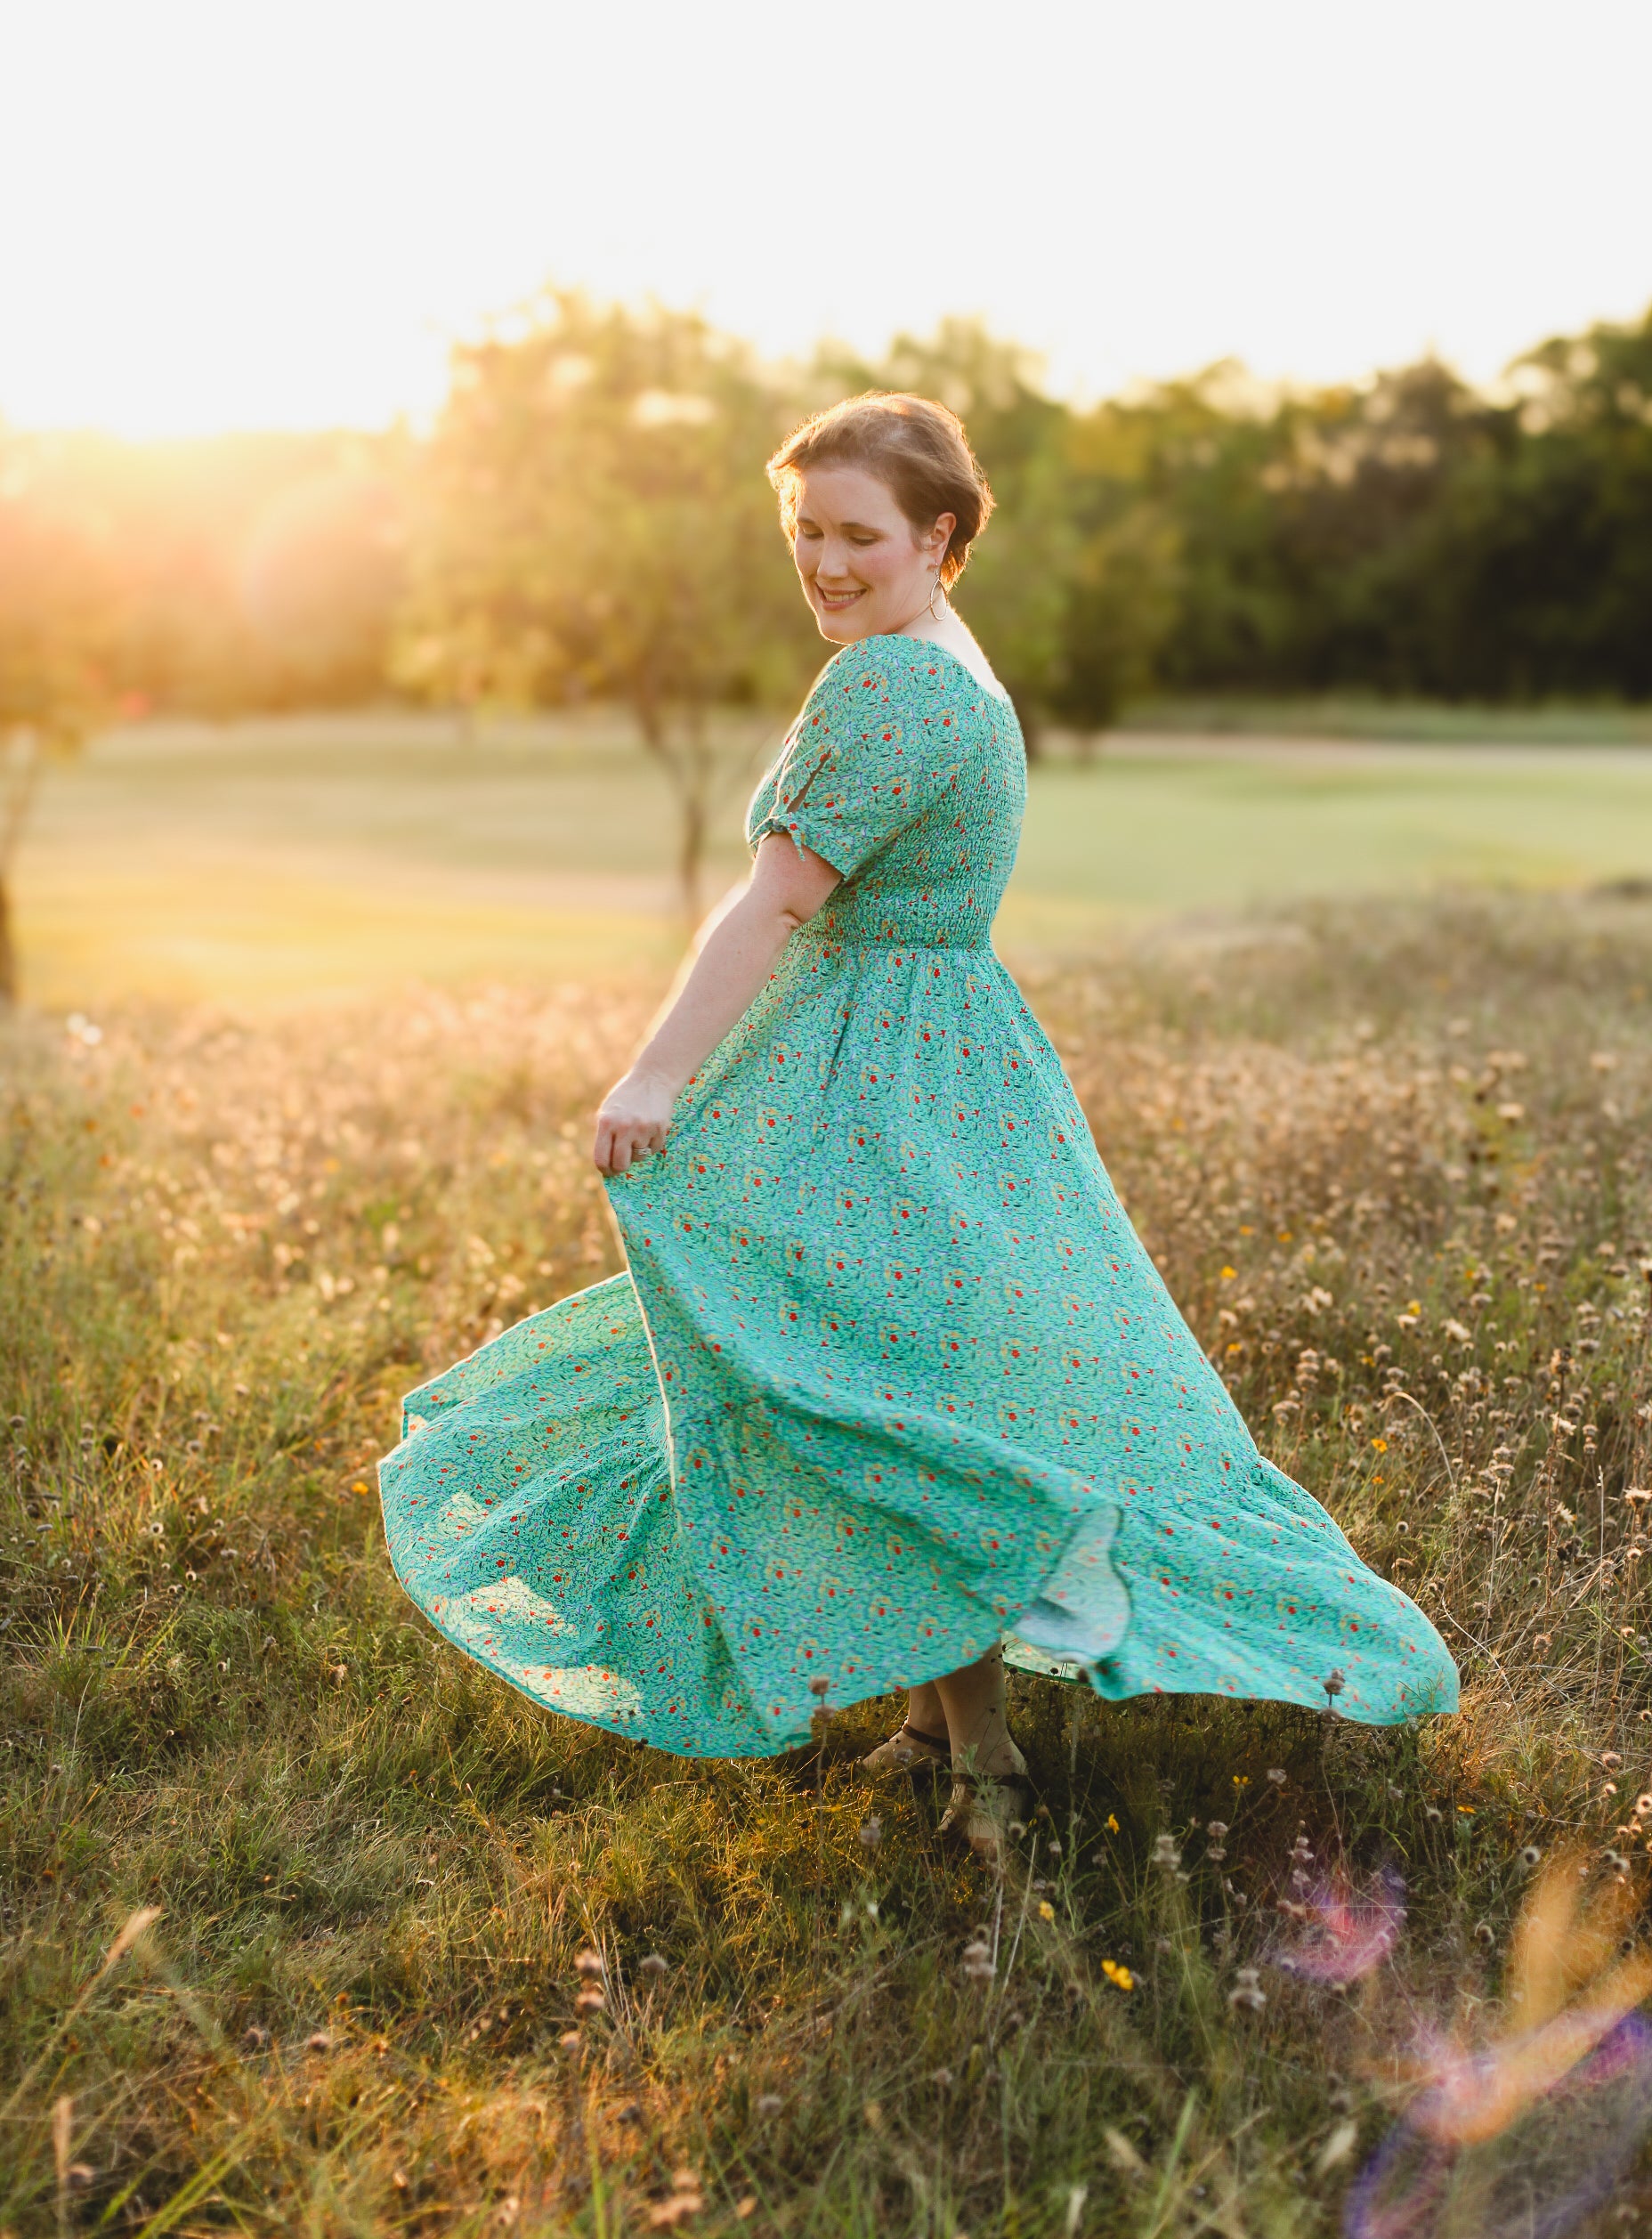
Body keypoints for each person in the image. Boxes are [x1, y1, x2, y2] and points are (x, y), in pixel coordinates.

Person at [378, 392, 1458, 1861]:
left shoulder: (891, 691)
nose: (823, 562)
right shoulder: (952, 667)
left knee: (865, 1390)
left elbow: (775, 901)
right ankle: (946, 1729)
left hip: (872, 1082)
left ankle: (979, 1754)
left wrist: (655, 1075)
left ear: (941, 537)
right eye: (803, 531)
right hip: (946, 1067)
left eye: (857, 535)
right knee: (906, 1388)